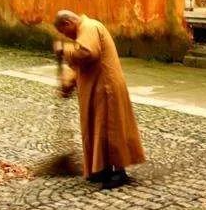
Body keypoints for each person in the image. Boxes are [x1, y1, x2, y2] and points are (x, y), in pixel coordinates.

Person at [53, 10, 146, 190]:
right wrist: (67, 85)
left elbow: (88, 53)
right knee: (98, 129)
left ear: (68, 22)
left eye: (65, 32)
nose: (68, 37)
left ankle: (119, 172)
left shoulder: (89, 27)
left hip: (106, 87)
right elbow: (79, 65)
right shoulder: (82, 34)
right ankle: (102, 169)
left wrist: (64, 50)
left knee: (111, 129)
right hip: (97, 89)